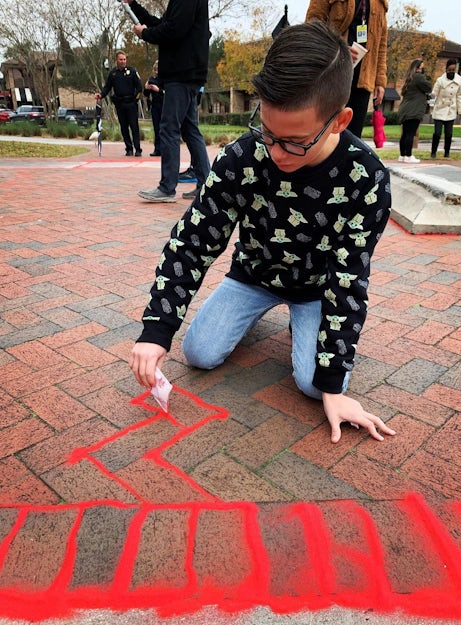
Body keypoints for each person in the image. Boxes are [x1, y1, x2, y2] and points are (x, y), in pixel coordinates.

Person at [129, 21, 396, 445]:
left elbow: (349, 278)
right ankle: (258, 312)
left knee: (314, 384)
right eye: (267, 132)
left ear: (339, 121)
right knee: (198, 353)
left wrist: (332, 386)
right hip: (253, 275)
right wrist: (156, 329)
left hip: (316, 289)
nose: (275, 152)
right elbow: (192, 242)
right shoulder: (242, 158)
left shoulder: (367, 178)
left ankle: (301, 324)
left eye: (293, 142)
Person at [123, 0, 211, 203]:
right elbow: (162, 24)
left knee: (169, 127)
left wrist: (145, 34)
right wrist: (134, 6)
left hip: (181, 73)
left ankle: (167, 188)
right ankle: (206, 184)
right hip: (188, 73)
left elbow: (172, 30)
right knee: (190, 130)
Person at [306, 0, 388, 138]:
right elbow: (312, 28)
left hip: (363, 79)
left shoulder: (380, 3)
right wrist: (338, 50)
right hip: (331, 74)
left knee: (353, 136)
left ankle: (348, 160)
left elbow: (382, 43)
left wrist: (380, 81)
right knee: (324, 130)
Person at [96, 51, 142, 157]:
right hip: (120, 104)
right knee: (124, 127)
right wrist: (101, 95)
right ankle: (129, 149)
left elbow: (139, 88)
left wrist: (135, 100)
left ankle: (138, 149)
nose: (123, 61)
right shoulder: (113, 73)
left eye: (124, 59)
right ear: (116, 60)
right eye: (121, 59)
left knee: (134, 127)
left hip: (131, 103)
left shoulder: (132, 71)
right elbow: (107, 87)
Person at [397, 59, 432, 164]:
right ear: (417, 68)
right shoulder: (418, 77)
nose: (422, 70)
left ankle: (402, 155)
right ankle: (409, 155)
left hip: (405, 110)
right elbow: (428, 87)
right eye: (421, 67)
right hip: (414, 110)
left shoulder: (409, 79)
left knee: (405, 133)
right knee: (411, 133)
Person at [430, 58, 461, 159]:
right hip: (440, 109)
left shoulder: (459, 80)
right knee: (437, 133)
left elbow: (459, 96)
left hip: (451, 110)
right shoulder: (440, 81)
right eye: (450, 70)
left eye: (453, 70)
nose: (451, 72)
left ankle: (447, 152)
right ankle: (433, 152)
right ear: (446, 70)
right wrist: (431, 106)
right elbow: (434, 94)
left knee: (449, 134)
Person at [144, 61, 164, 157]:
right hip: (155, 106)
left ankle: (165, 148)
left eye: (158, 70)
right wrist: (147, 88)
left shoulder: (165, 81)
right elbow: (146, 94)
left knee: (164, 128)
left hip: (164, 106)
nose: (156, 72)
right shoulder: (151, 79)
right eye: (155, 70)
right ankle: (157, 149)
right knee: (157, 128)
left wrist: (158, 90)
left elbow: (167, 93)